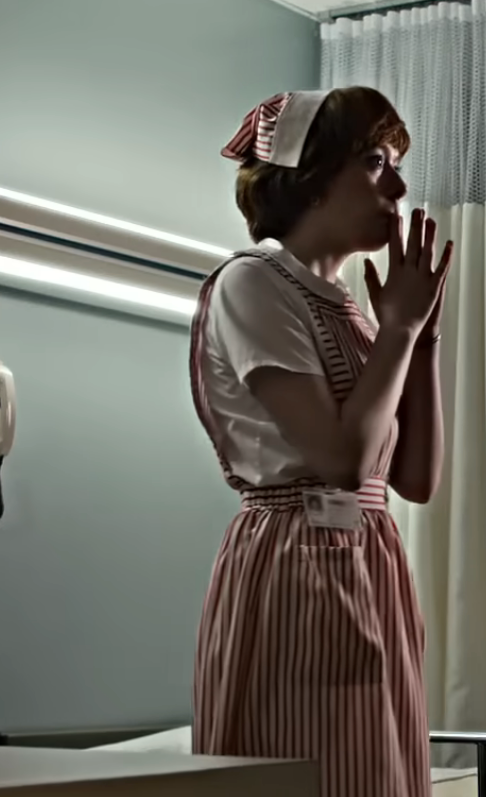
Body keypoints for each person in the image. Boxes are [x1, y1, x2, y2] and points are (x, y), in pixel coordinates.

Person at [188, 88, 453, 797]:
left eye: (397, 164)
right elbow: (340, 461)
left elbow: (417, 478)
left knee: (374, 768)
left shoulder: (355, 312)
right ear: (309, 178)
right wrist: (397, 330)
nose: (398, 185)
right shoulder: (253, 284)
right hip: (293, 563)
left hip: (369, 562)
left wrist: (419, 342)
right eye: (375, 163)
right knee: (307, 768)